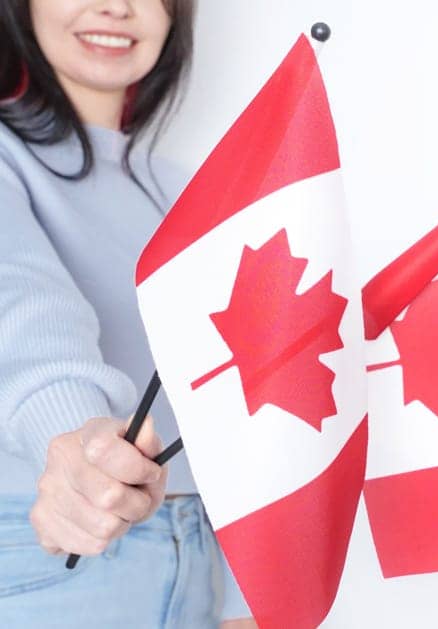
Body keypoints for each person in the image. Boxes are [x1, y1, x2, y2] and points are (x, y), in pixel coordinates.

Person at [0, 0, 254, 626]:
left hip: (202, 560)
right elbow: (24, 314)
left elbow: (242, 394)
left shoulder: (188, 191)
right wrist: (79, 447)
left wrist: (247, 594)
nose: (116, 6)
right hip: (51, 553)